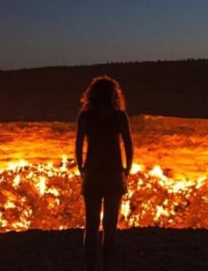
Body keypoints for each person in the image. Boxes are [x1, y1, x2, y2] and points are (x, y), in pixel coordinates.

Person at [75, 75, 134, 271]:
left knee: (91, 225)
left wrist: (81, 169)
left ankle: (89, 268)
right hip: (113, 174)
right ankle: (107, 267)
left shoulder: (85, 117)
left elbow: (78, 145)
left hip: (92, 173)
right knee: (110, 228)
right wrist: (127, 169)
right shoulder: (119, 117)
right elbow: (128, 144)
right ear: (113, 95)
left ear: (91, 95)